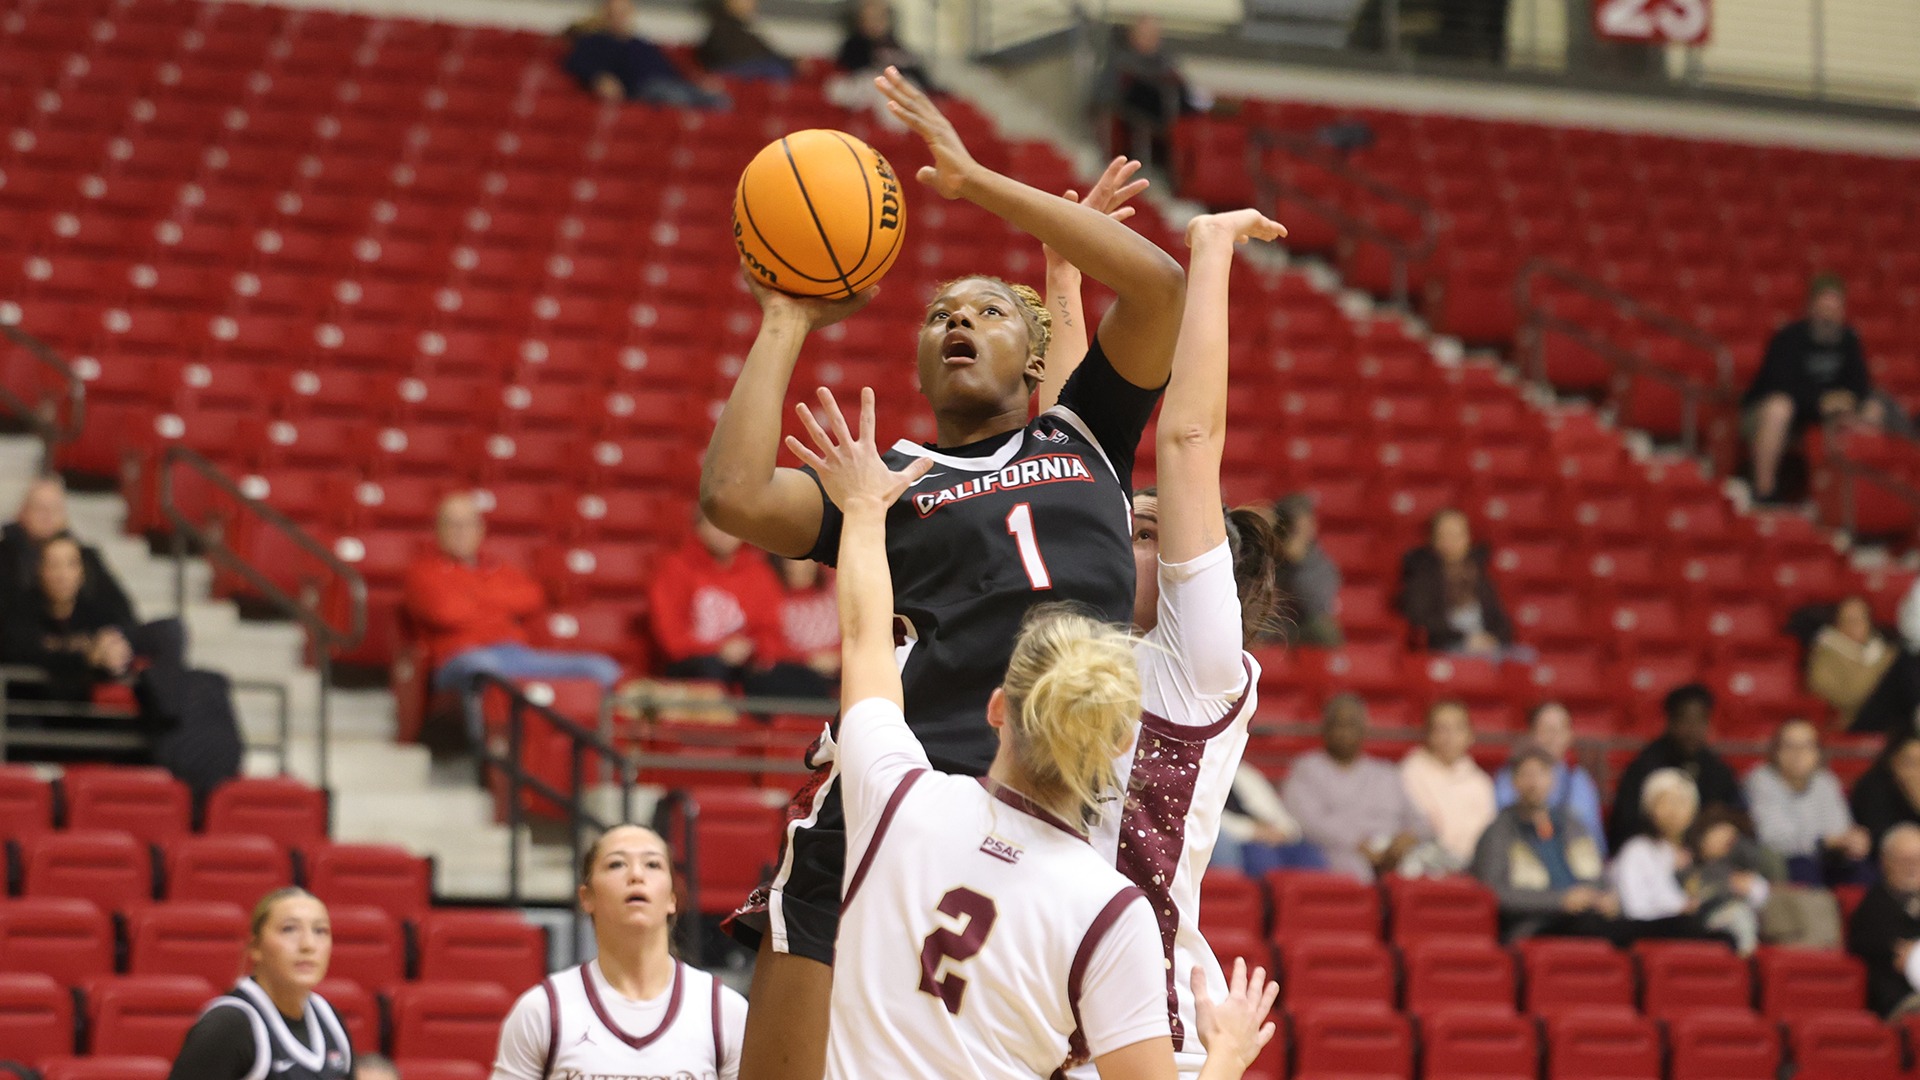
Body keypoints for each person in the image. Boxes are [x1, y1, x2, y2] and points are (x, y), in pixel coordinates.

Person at [701, 73, 1185, 1080]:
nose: (959, 321)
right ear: (919, 368)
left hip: (1051, 816)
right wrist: (786, 318)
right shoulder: (886, 485)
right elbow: (737, 496)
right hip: (900, 799)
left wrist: (973, 180)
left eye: (989, 311)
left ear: (1037, 348)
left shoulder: (1089, 431)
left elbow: (1161, 288)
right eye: (938, 317)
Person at [787, 386, 1276, 1080]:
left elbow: (867, 638)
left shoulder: (900, 802)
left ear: (996, 708)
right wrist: (1224, 1055)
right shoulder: (1105, 905)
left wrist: (864, 512)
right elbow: (1188, 435)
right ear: (1114, 742)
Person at [1041, 206, 1288, 1078]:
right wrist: (1063, 278)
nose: (1119, 534)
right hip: (1026, 994)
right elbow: (1066, 461)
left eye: (1146, 530)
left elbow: (1187, 441)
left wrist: (1209, 255)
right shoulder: (1080, 638)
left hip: (1142, 1011)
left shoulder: (1201, 667)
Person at [492, 824, 745, 1079]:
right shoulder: (541, 1010)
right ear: (586, 897)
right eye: (616, 864)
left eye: (652, 865)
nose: (636, 874)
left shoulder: (724, 1010)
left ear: (672, 898)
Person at [403, 493, 622, 697]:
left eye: (468, 524)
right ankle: (492, 736)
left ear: (481, 529)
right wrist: (501, 604)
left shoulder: (497, 567)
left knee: (601, 667)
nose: (461, 531)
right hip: (458, 659)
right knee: (483, 668)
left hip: (516, 654)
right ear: (438, 530)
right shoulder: (422, 572)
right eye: (452, 524)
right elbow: (446, 613)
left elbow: (532, 597)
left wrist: (473, 598)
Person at [168, 888, 353, 1079]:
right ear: (255, 947)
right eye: (289, 929)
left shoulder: (330, 1018)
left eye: (320, 930)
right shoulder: (229, 1025)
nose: (308, 944)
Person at [1744, 273, 1883, 503]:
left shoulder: (1848, 340)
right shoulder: (1788, 338)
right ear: (1811, 309)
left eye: (1834, 310)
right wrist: (1824, 403)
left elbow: (1860, 386)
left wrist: (1844, 405)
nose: (1829, 317)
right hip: (1774, 414)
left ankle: (1861, 495)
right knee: (1779, 408)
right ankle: (1764, 489)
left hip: (1826, 413)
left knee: (1872, 410)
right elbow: (1782, 385)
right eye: (1824, 309)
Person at [1281, 693, 1436, 881]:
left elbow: (1423, 823)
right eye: (1339, 724)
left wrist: (1408, 838)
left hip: (1396, 853)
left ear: (1364, 729)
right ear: (1325, 728)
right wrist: (1358, 843)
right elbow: (1307, 822)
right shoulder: (1306, 769)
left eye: (1352, 724)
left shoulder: (1386, 773)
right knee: (1354, 872)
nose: (1345, 732)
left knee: (1432, 872)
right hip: (1340, 854)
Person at [1471, 742, 1616, 942]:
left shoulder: (1573, 824)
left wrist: (1607, 896)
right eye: (1526, 775)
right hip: (1535, 926)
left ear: (1553, 779)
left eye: (1541, 773)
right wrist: (1560, 901)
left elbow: (1598, 873)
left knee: (1650, 930)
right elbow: (1493, 892)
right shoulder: (1498, 832)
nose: (1534, 783)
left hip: (1587, 917)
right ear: (1514, 782)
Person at [1611, 769, 1763, 952]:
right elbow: (1636, 908)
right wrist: (1681, 908)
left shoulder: (1701, 851)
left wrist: (1741, 883)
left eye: (1682, 801)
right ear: (1649, 808)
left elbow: (1758, 891)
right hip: (1660, 935)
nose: (1674, 810)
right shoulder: (1638, 850)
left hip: (1702, 926)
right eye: (1665, 801)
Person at [646, 509, 782, 688]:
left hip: (747, 661)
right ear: (699, 528)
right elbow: (672, 639)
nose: (724, 533)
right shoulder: (675, 568)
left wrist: (752, 648)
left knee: (784, 677)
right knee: (712, 670)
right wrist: (718, 649)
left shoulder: (759, 572)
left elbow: (771, 630)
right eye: (716, 524)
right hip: (694, 663)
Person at [1606, 684, 1744, 850]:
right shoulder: (1645, 766)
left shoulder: (1716, 769)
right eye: (1685, 720)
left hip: (1709, 859)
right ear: (1670, 722)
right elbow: (1624, 828)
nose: (1693, 729)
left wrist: (1720, 816)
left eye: (1700, 720)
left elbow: (1743, 817)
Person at [2, 535, 136, 703]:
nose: (62, 574)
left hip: (87, 714)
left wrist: (110, 654)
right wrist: (86, 659)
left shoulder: (99, 612)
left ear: (81, 572)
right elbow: (22, 656)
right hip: (31, 711)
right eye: (54, 565)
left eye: (71, 564)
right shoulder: (19, 611)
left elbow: (118, 648)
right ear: (40, 570)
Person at [1744, 717, 1871, 885]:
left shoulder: (1826, 781)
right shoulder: (1761, 780)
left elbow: (1840, 827)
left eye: (1806, 746)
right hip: (1785, 861)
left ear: (1818, 752)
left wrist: (1852, 841)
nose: (1798, 754)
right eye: (1790, 746)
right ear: (1776, 751)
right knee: (1804, 867)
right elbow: (1772, 837)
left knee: (1866, 871)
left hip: (1829, 857)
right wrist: (1823, 841)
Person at [0, 475, 134, 625]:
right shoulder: (5, 557)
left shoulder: (86, 557)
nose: (47, 516)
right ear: (22, 513)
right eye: (40, 509)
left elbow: (121, 612)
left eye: (55, 509)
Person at [1398, 507, 1519, 659]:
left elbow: (1501, 620)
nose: (1451, 541)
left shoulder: (1479, 574)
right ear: (1434, 539)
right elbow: (1422, 619)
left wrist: (1493, 638)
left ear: (1467, 538)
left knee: (1525, 657)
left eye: (1457, 535)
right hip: (1448, 645)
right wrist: (1463, 638)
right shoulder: (1421, 576)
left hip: (1486, 644)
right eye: (1445, 535)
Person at [1091, 17, 1208, 171]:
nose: (1151, 40)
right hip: (1138, 111)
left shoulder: (1164, 61)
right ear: (1133, 37)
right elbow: (1104, 95)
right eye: (1145, 36)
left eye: (1154, 36)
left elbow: (1181, 85)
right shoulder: (1121, 63)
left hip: (1177, 113)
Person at [563, 0, 728, 108]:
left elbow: (671, 69)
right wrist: (598, 77)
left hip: (672, 84)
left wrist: (698, 82)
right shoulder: (594, 41)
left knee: (720, 101)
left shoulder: (641, 43)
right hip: (644, 89)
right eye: (614, 13)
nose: (619, 17)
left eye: (623, 12)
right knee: (672, 96)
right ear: (606, 15)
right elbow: (576, 62)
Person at [1494, 701, 1607, 857]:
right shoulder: (1509, 776)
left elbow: (1594, 840)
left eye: (1560, 729)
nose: (1553, 736)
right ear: (1531, 734)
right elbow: (1503, 828)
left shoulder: (1580, 780)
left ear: (1569, 735)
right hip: (1522, 860)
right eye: (1546, 729)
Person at [1399, 700, 1497, 868]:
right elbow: (1420, 830)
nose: (1450, 736)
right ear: (1428, 734)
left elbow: (1488, 837)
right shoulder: (1410, 772)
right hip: (1427, 864)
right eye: (1442, 729)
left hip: (1474, 867)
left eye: (1458, 728)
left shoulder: (1481, 782)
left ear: (1470, 735)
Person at [1847, 822, 1920, 1017]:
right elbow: (1897, 953)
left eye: (1918, 860)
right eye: (1905, 860)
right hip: (1900, 1000)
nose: (1913, 868)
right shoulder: (1873, 908)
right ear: (1885, 862)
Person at [747, 555, 840, 699]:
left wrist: (839, 658)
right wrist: (808, 660)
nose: (800, 567)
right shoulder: (772, 595)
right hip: (797, 674)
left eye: (808, 562)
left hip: (841, 671)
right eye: (792, 562)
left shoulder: (835, 588)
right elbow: (767, 646)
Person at [1808, 595, 1896, 729]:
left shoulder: (1886, 652)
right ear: (1837, 624)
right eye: (1849, 620)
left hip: (1891, 723)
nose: (1856, 625)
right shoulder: (1824, 654)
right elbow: (1831, 694)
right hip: (1849, 723)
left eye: (1861, 619)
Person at [1269, 493, 1341, 647]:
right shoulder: (1267, 552)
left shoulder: (1317, 559)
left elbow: (1316, 604)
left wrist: (1297, 562)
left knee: (1325, 631)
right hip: (1271, 622)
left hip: (1303, 624)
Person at [1849, 731, 1920, 857]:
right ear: (1893, 763)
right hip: (1881, 862)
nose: (1917, 771)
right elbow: (1876, 839)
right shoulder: (1872, 788)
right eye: (1911, 763)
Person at [836, 0, 933, 90]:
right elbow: (854, 76)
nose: (876, 23)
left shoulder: (895, 45)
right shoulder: (854, 46)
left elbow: (918, 73)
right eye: (871, 18)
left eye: (880, 17)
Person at [695, 0, 794, 80]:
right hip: (738, 83)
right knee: (776, 68)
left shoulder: (742, 29)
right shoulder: (723, 30)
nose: (753, 3)